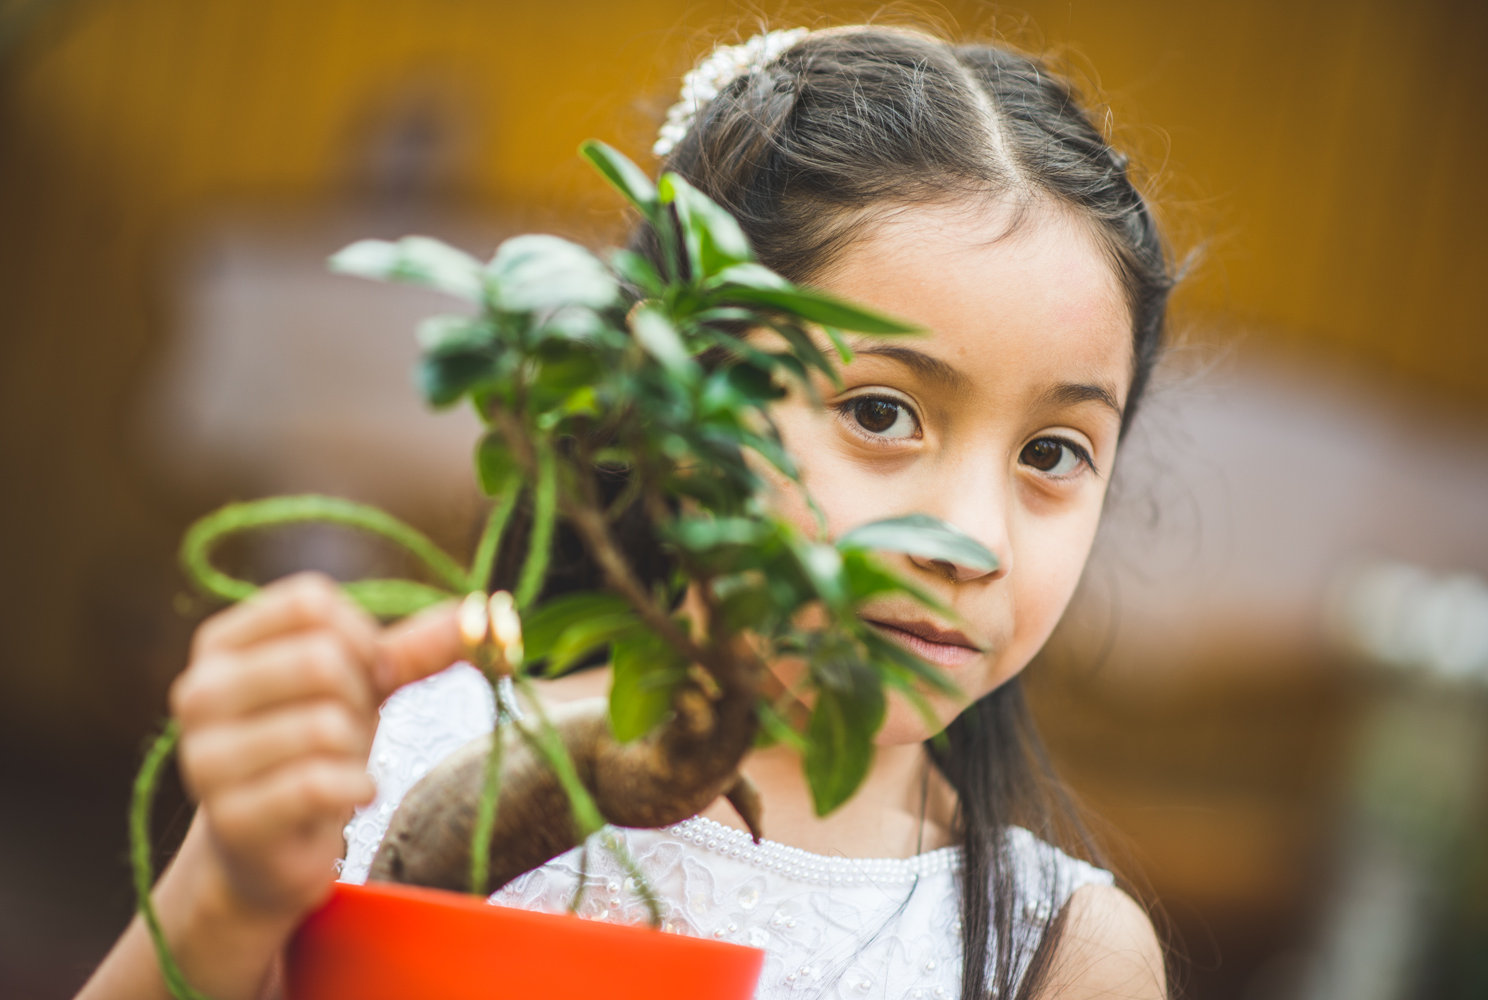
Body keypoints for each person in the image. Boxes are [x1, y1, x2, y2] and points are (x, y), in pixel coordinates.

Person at [80, 23, 1172, 1000]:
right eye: (880, 412)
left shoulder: (1063, 953)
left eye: (1052, 451)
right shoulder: (397, 753)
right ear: (674, 397)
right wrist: (226, 891)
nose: (971, 540)